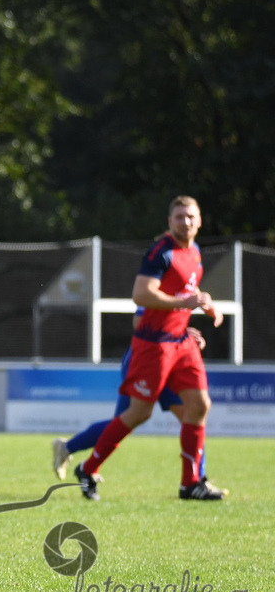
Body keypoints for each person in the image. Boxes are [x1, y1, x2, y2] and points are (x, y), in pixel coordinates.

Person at [73, 196, 226, 501]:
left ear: (199, 221)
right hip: (154, 345)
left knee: (199, 405)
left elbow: (186, 288)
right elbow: (141, 294)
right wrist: (184, 302)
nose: (186, 222)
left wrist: (204, 302)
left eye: (191, 216)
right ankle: (87, 469)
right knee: (138, 413)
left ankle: (190, 483)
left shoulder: (194, 251)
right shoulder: (161, 253)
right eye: (180, 217)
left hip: (181, 342)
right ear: (170, 222)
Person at [52, 313, 223, 494]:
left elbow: (175, 316)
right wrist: (176, 333)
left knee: (193, 413)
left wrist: (183, 337)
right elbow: (141, 319)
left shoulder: (188, 294)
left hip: (173, 357)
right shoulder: (155, 292)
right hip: (147, 358)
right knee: (128, 419)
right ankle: (74, 455)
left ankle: (196, 481)